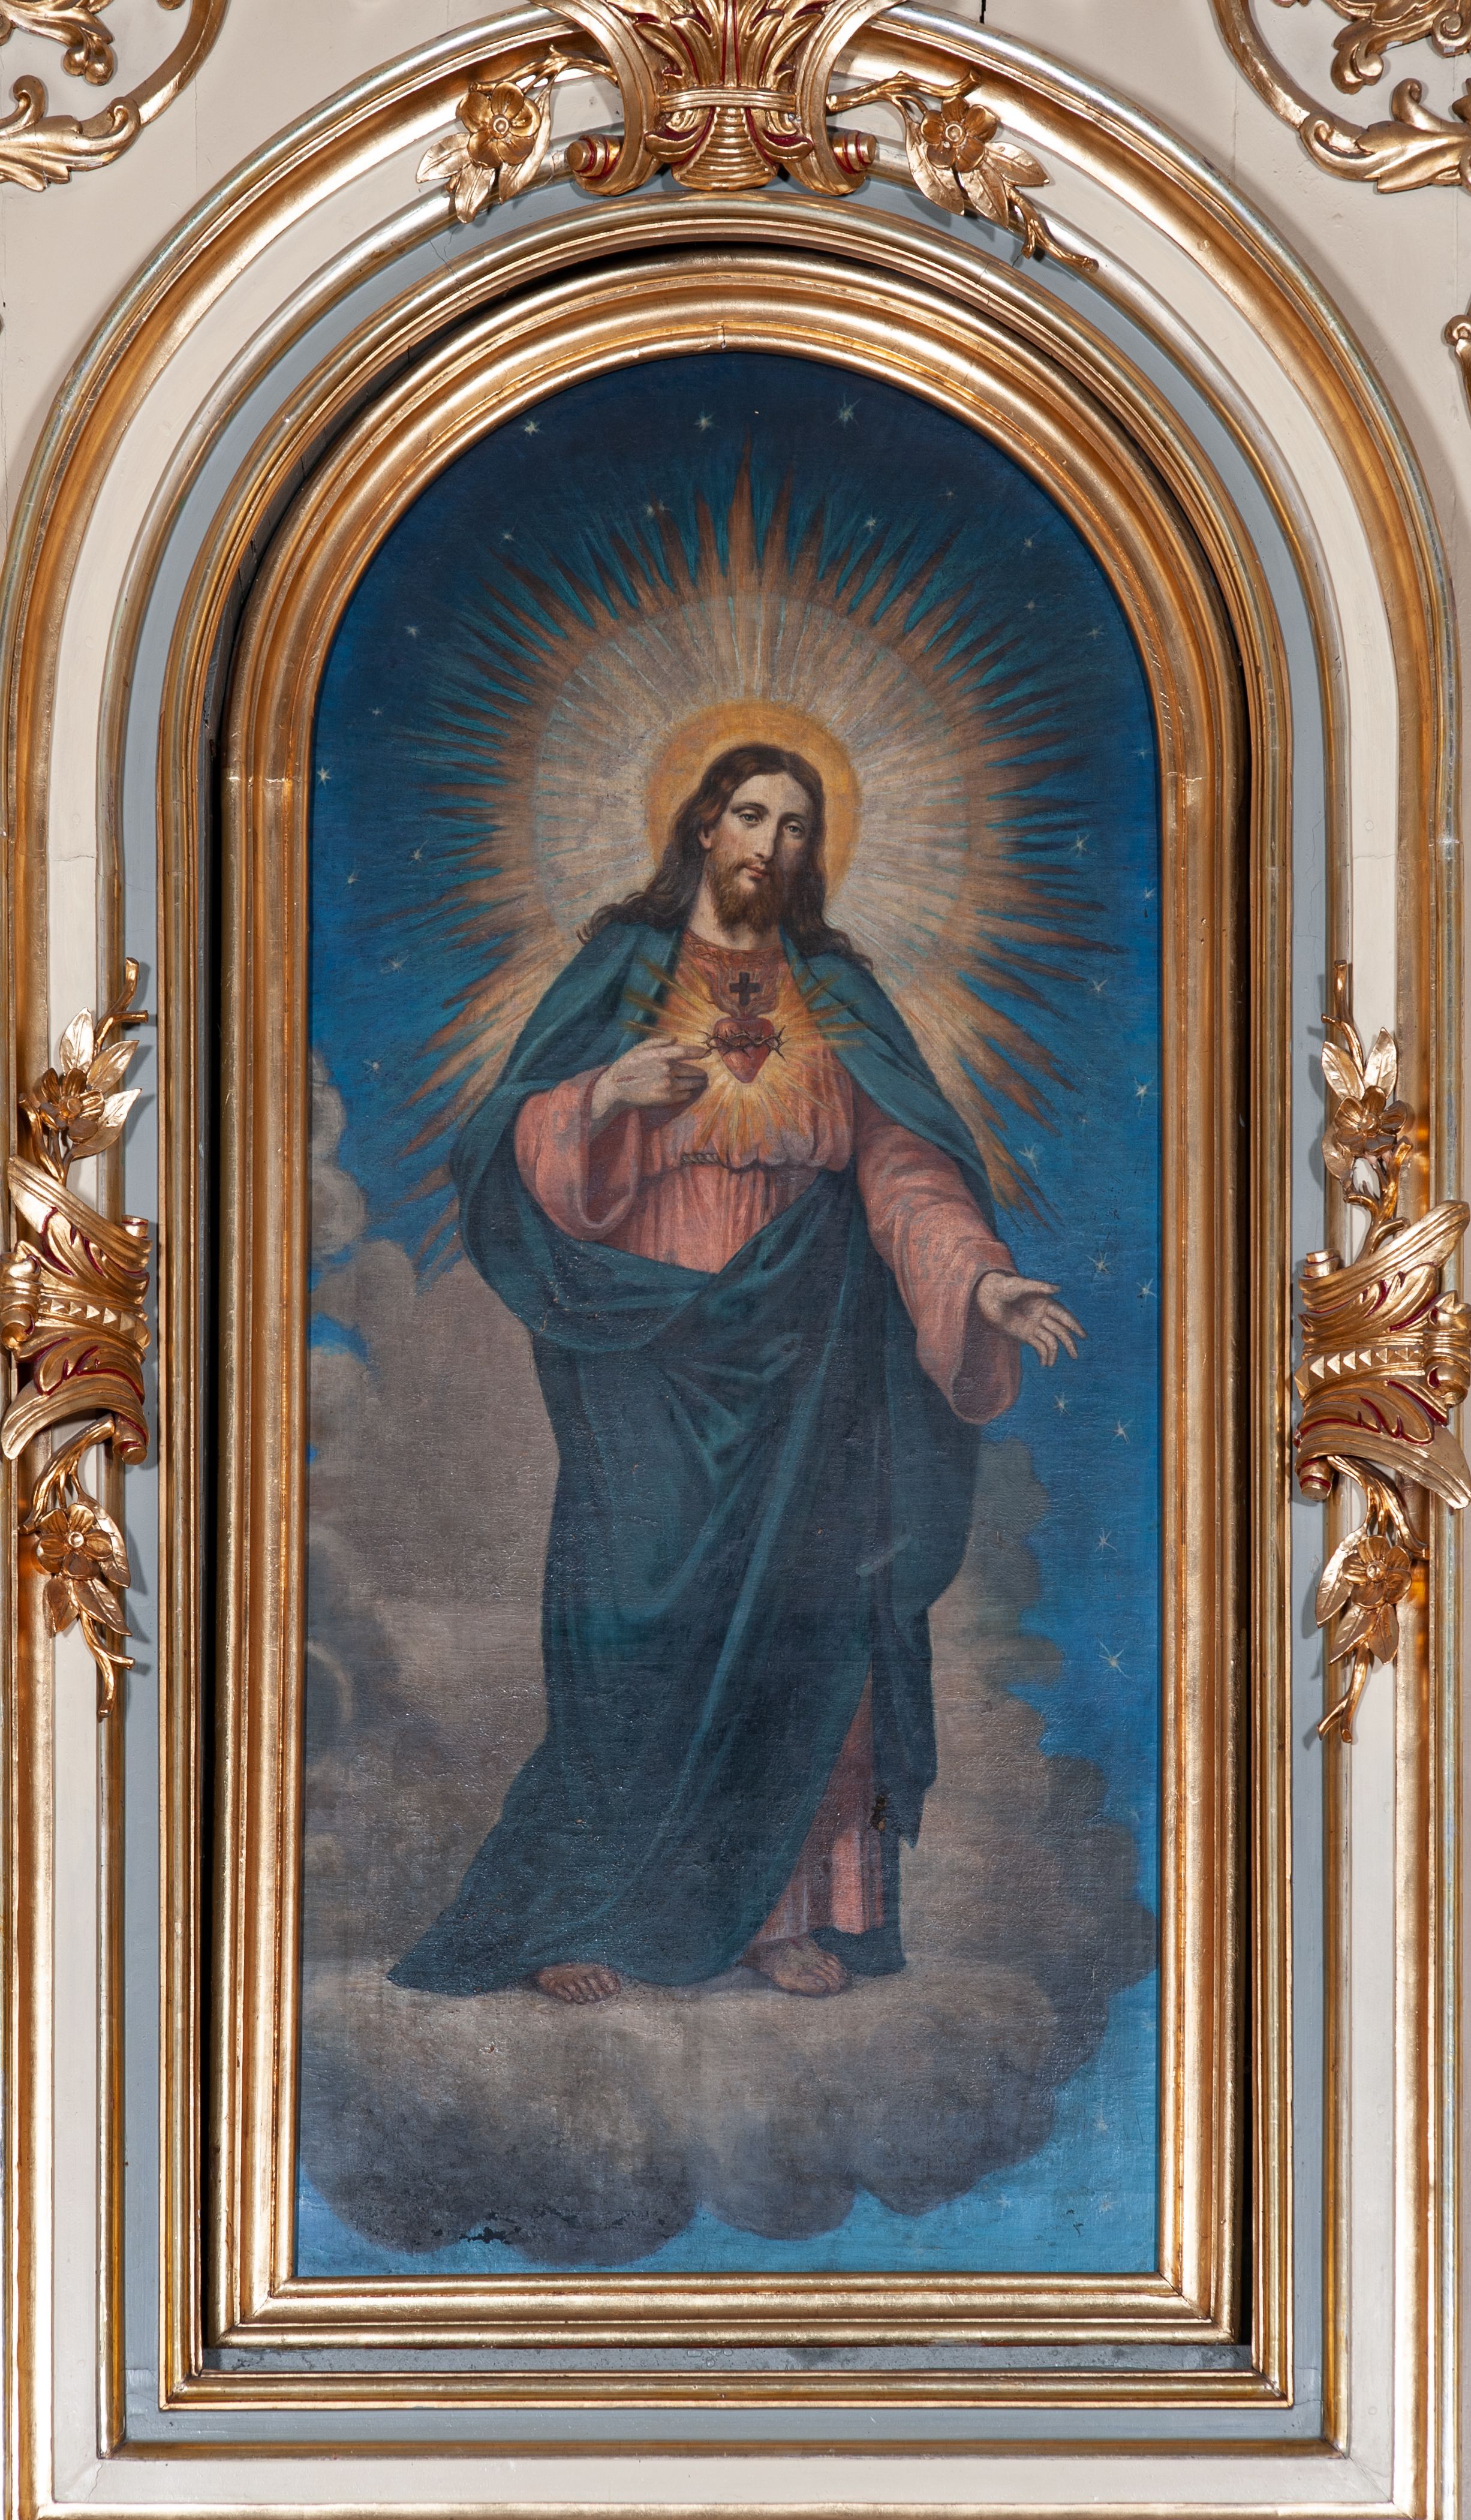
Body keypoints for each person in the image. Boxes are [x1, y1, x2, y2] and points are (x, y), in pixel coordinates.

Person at [390, 742, 1080, 2004]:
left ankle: (781, 1913)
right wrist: (606, 1090)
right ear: (704, 825)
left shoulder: (838, 994)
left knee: (806, 1632)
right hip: (647, 1353)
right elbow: (503, 1138)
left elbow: (903, 1171)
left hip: (810, 1361)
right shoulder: (623, 970)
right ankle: (589, 1909)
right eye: (752, 814)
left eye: (798, 825)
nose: (772, 842)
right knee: (632, 1634)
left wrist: (980, 1281)